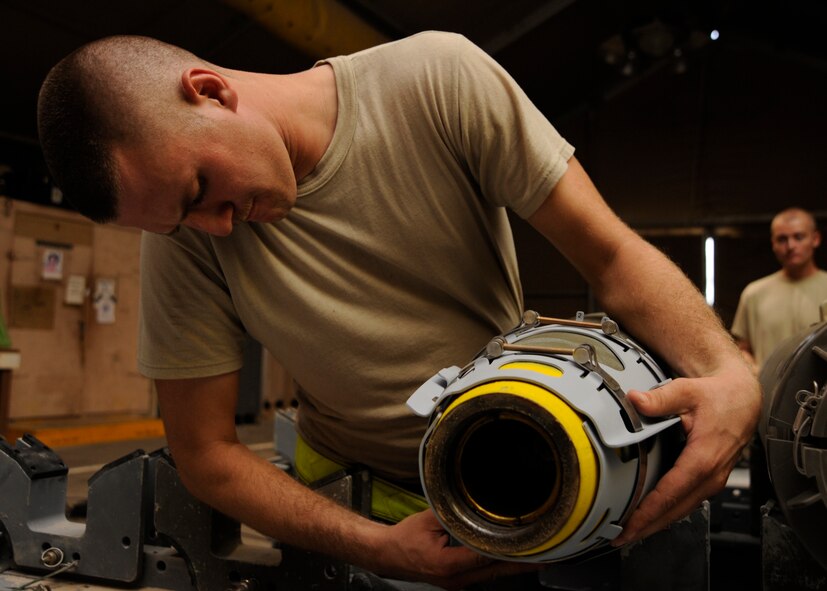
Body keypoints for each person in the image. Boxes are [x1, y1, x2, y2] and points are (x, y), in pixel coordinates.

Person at [36, 32, 760, 589]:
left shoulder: (433, 82)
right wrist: (373, 545)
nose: (216, 228)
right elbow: (205, 452)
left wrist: (728, 371)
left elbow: (608, 257)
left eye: (200, 189)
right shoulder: (189, 238)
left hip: (540, 474)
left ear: (210, 90)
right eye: (179, 221)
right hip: (361, 510)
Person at [731, 207, 827, 373]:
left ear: (815, 239)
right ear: (773, 244)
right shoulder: (754, 293)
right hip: (769, 394)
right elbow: (742, 348)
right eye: (782, 239)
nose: (790, 246)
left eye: (799, 237)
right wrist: (756, 371)